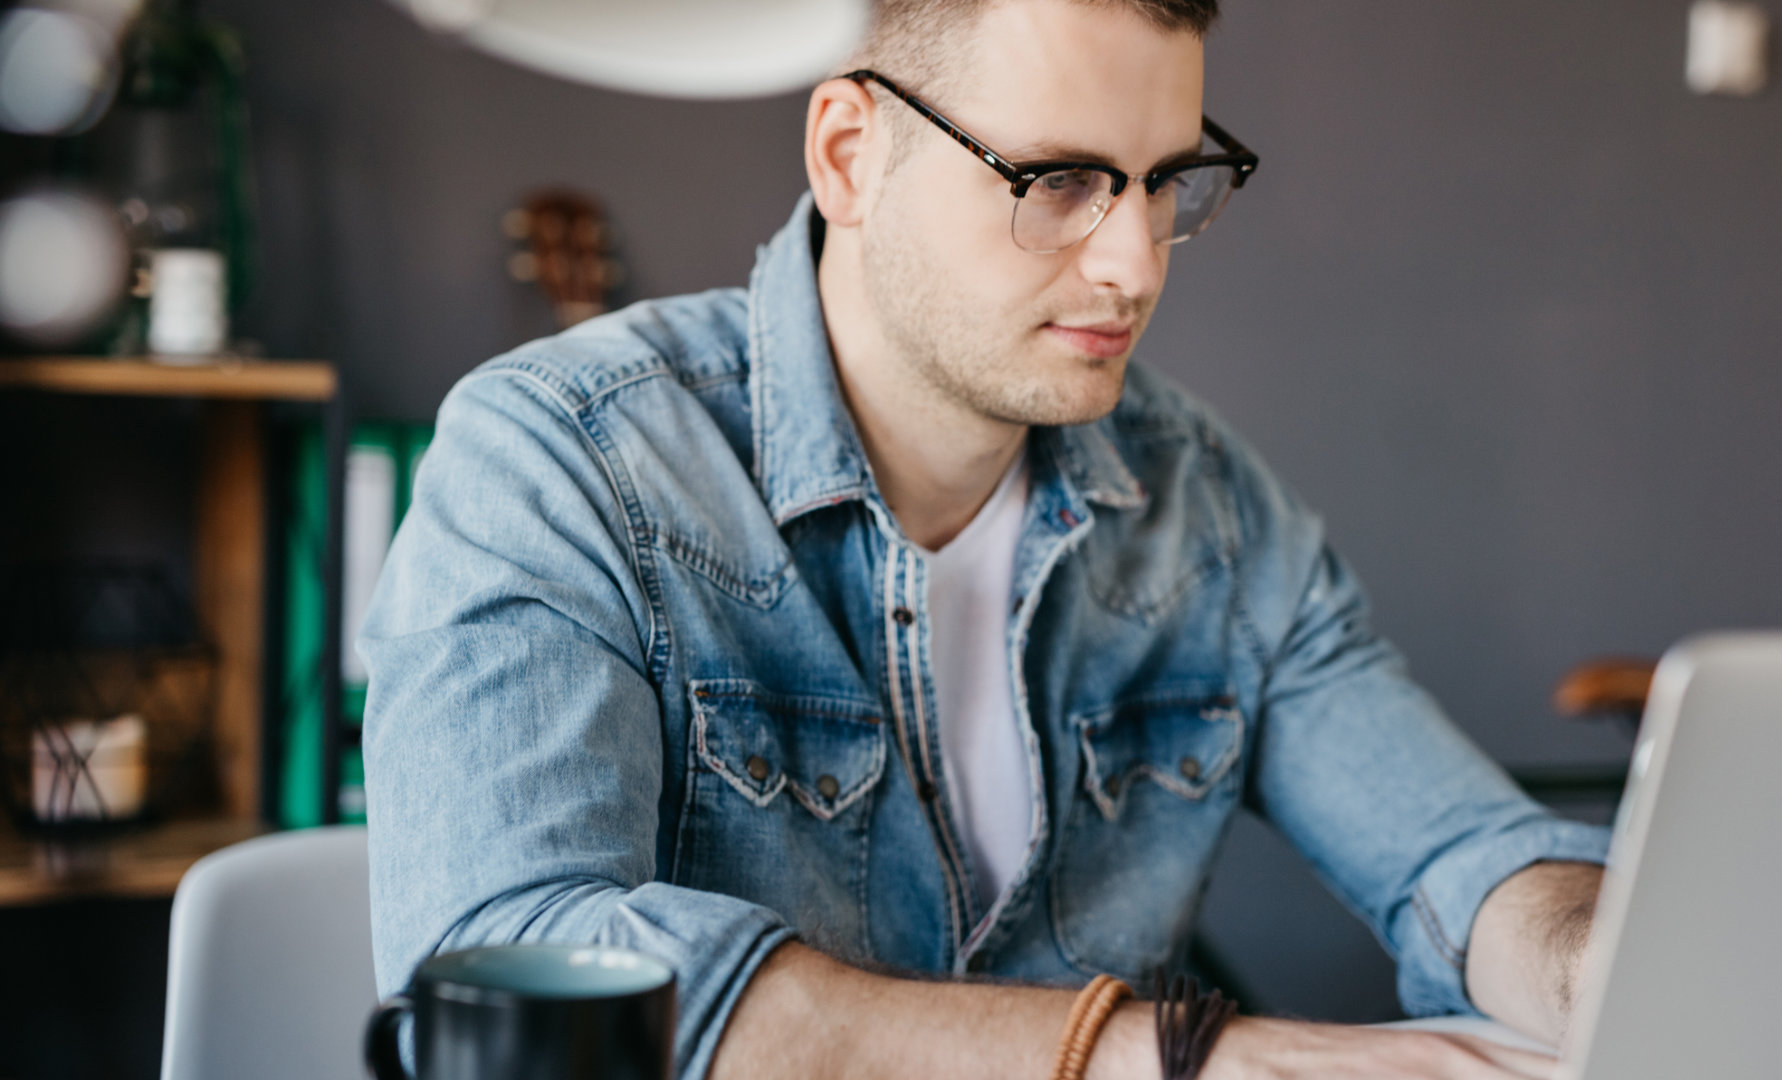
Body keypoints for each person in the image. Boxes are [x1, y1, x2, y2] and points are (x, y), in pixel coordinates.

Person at [361, 1, 1612, 1077]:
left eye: (1165, 180)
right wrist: (1167, 1056)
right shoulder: (563, 458)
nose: (1132, 264)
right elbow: (509, 971)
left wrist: (1605, 965)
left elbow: (1459, 852)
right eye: (1057, 182)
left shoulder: (1208, 509)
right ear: (851, 156)